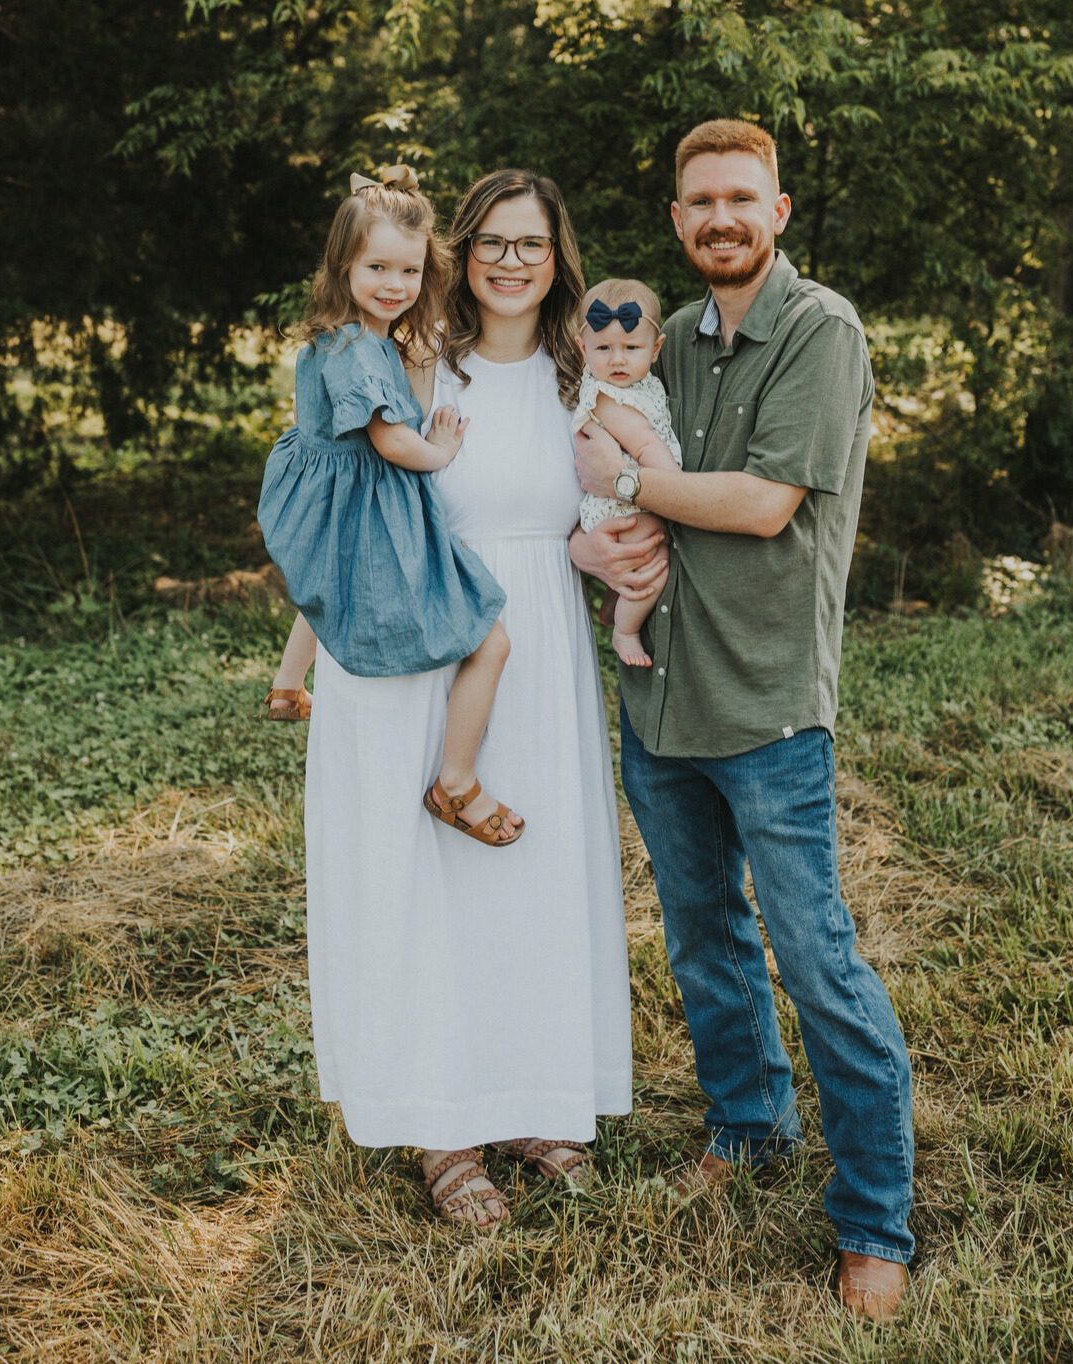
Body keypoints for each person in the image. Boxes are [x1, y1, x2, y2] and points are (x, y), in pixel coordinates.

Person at [571, 119, 915, 1320]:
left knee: (816, 956)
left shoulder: (819, 329)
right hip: (660, 693)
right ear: (677, 221)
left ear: (778, 210)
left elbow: (764, 504)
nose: (720, 217)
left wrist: (617, 482)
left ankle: (875, 1219)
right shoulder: (657, 338)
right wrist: (587, 531)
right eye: (700, 201)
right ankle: (747, 1123)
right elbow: (586, 454)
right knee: (702, 932)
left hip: (768, 708)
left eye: (741, 198)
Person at [300, 166, 633, 1227]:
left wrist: (620, 559)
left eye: (530, 244)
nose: (509, 260)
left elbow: (603, 509)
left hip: (538, 642)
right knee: (429, 885)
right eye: (491, 240)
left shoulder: (588, 372)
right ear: (462, 251)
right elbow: (340, 496)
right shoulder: (411, 364)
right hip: (421, 635)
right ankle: (442, 1121)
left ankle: (534, 1097)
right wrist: (302, 651)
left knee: (534, 875)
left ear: (557, 258)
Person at [258, 167, 522, 846]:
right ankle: (456, 781)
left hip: (332, 500)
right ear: (342, 264)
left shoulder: (339, 337)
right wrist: (438, 451)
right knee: (489, 639)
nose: (394, 285)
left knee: (326, 583)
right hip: (371, 506)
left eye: (408, 271)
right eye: (377, 266)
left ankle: (288, 684)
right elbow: (388, 439)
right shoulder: (363, 350)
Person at [571, 279, 682, 667]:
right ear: (582, 348)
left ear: (655, 350)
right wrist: (679, 493)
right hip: (620, 507)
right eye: (604, 348)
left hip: (628, 493)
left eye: (631, 349)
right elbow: (645, 446)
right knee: (655, 562)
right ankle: (626, 630)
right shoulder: (608, 395)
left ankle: (613, 604)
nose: (617, 360)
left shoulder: (641, 385)